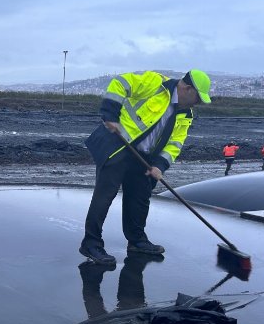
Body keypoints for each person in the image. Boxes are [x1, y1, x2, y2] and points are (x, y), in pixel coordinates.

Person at [80, 70, 212, 265]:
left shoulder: (186, 114)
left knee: (140, 198)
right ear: (187, 88)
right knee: (105, 196)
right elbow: (120, 83)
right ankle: (91, 244)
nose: (197, 103)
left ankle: (137, 241)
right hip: (120, 145)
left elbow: (175, 143)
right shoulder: (156, 83)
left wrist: (160, 165)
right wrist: (110, 114)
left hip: (143, 157)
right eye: (198, 98)